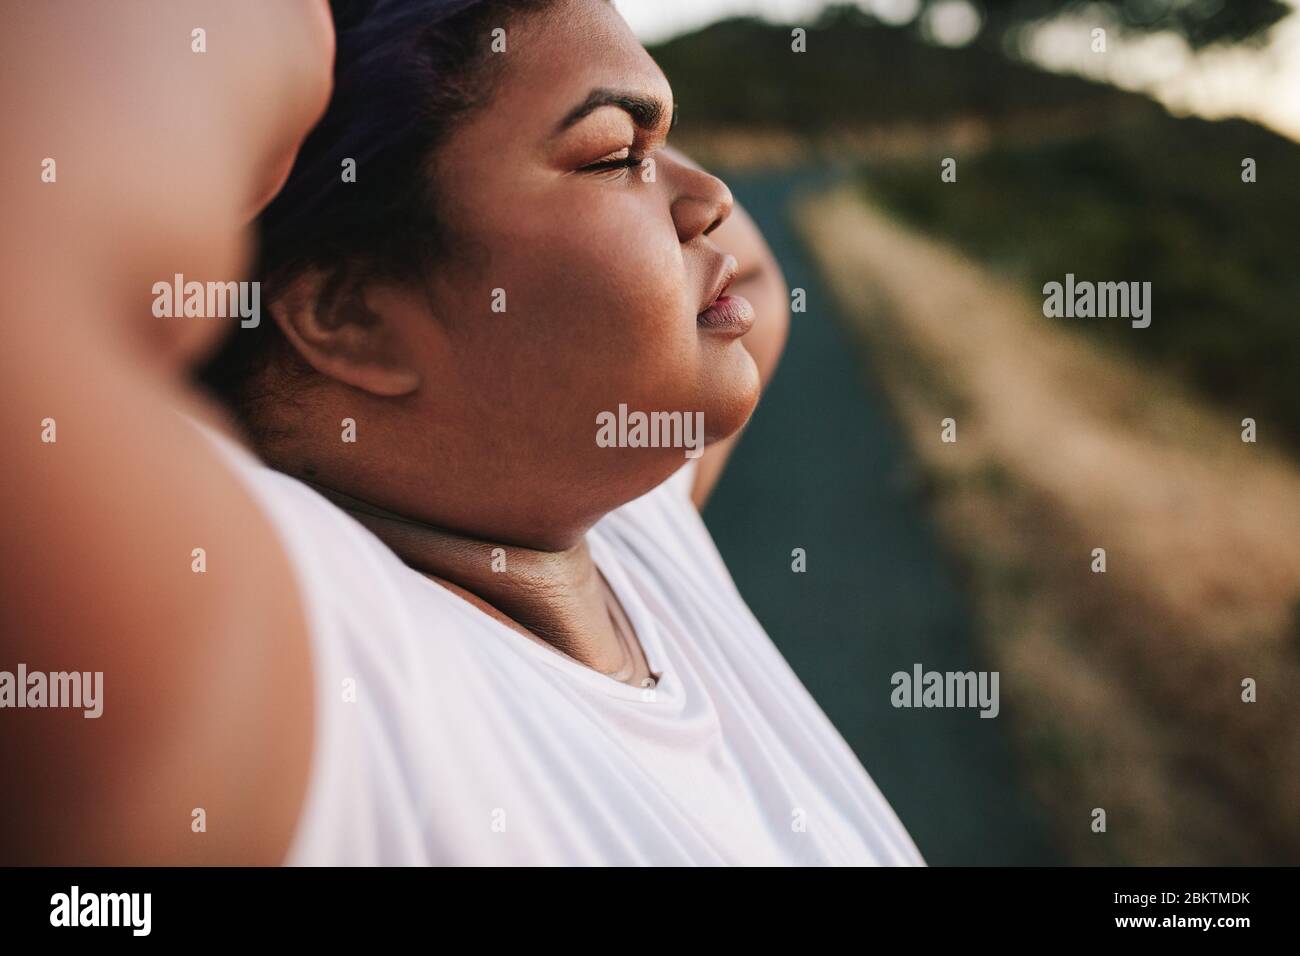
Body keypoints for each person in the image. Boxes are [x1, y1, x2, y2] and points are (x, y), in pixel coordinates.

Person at [2, 0, 924, 865]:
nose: (712, 197)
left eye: (667, 141)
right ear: (350, 312)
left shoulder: (632, 533)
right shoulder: (356, 683)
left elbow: (749, 289)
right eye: (612, 157)